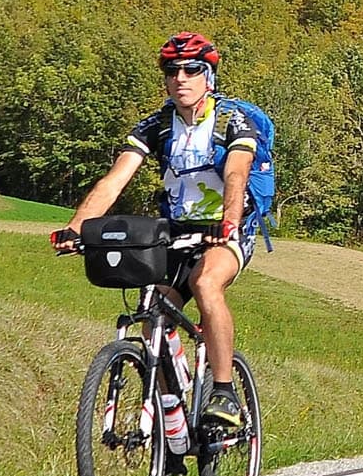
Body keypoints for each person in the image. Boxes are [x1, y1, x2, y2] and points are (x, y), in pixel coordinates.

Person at [53, 31, 253, 430]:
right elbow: (114, 181)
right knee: (151, 314)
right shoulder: (157, 126)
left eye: (191, 69)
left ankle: (224, 390)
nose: (181, 77)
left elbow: (236, 172)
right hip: (175, 232)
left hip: (224, 230)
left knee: (206, 283)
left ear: (208, 75)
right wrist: (76, 227)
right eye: (171, 70)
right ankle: (173, 416)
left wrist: (228, 219)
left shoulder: (233, 120)